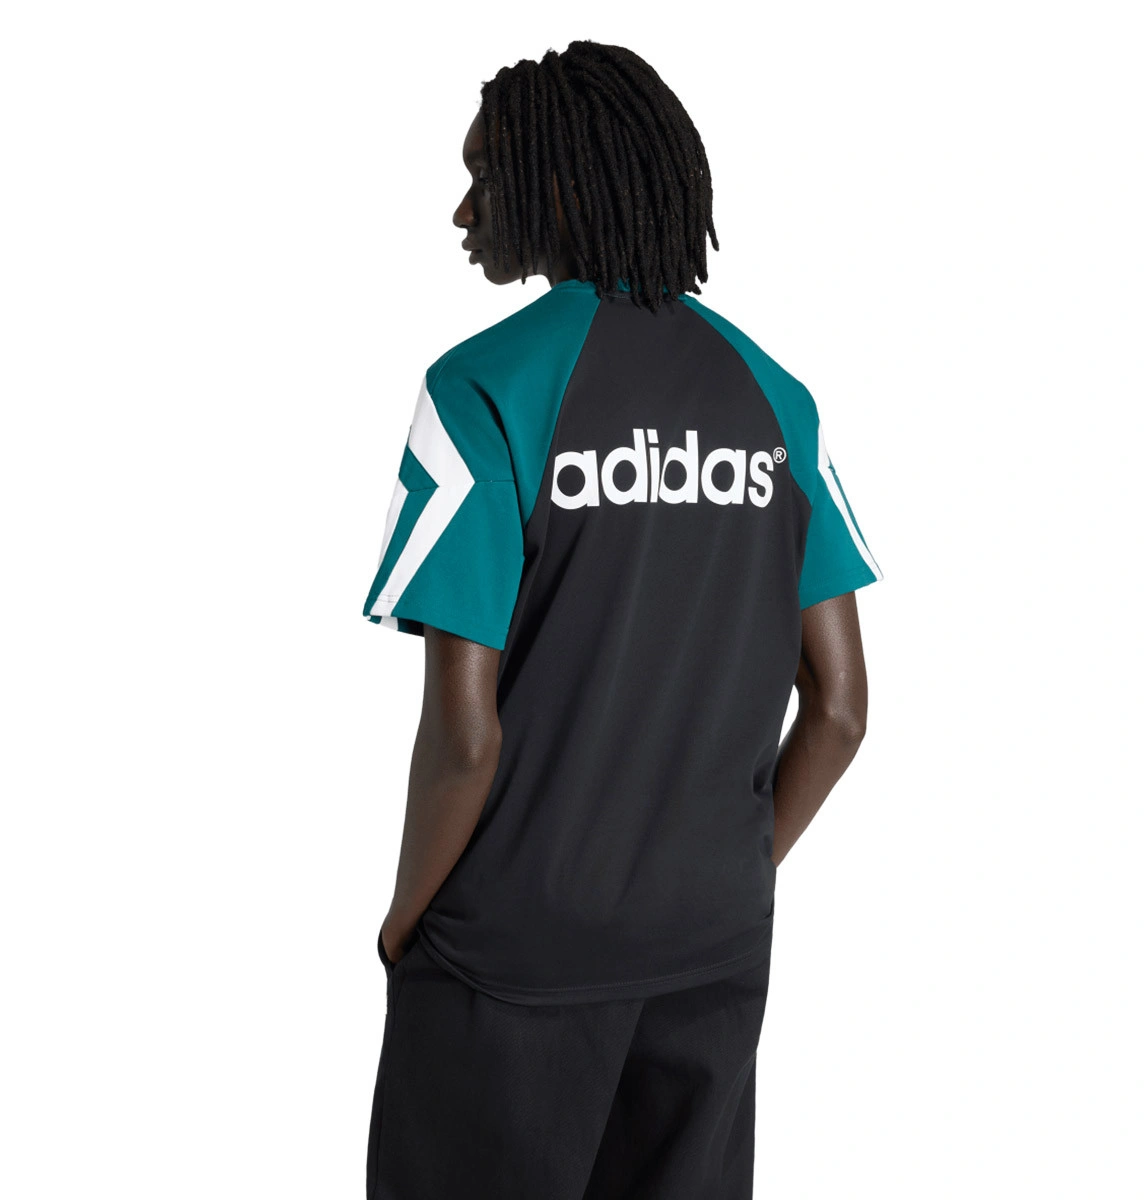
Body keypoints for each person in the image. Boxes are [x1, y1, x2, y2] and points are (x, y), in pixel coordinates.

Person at [360, 39, 882, 1200]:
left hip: (509, 953)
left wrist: (406, 919)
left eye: (483, 176)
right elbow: (842, 711)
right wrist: (723, 871)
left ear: (554, 186)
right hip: (711, 944)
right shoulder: (775, 397)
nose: (462, 211)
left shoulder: (480, 388)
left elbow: (466, 735)